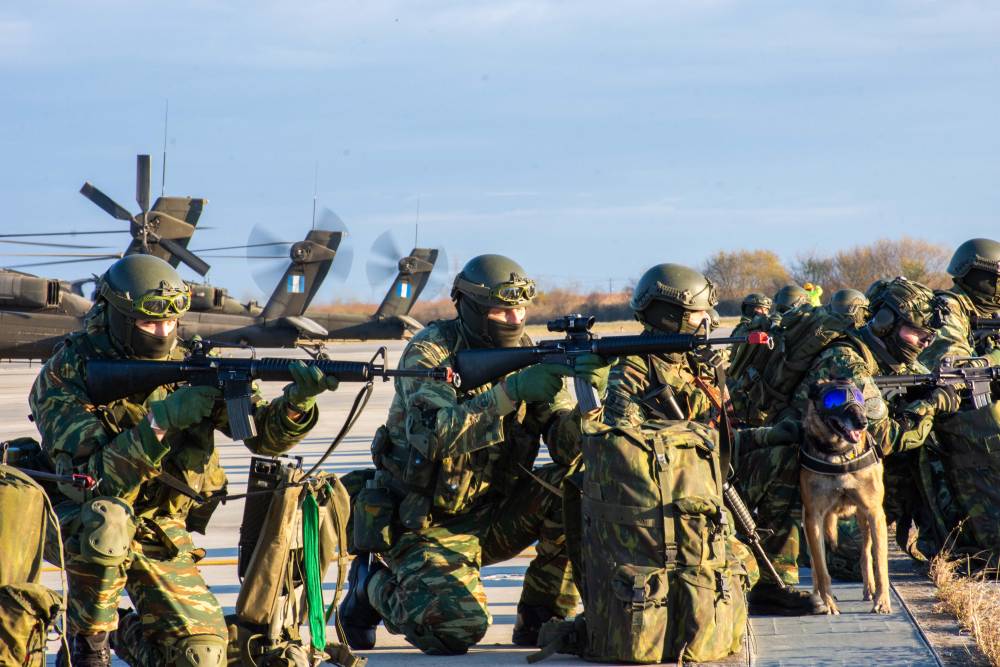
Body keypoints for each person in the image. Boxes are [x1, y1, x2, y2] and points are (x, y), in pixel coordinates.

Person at [29, 255, 337, 667]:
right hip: (77, 522)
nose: (163, 332)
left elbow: (265, 438)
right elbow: (97, 483)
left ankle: (124, 630)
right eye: (149, 323)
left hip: (158, 529)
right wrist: (161, 422)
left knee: (201, 656)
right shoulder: (67, 374)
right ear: (116, 317)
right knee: (109, 519)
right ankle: (88, 643)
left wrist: (297, 404)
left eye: (172, 322)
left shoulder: (192, 364)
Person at [339, 254, 605, 655]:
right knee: (454, 628)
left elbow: (566, 448)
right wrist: (511, 393)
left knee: (579, 484)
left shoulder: (528, 351)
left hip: (495, 515)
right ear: (473, 309)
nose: (516, 320)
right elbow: (433, 436)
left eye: (520, 309)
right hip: (423, 523)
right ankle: (369, 587)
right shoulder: (430, 352)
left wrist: (590, 404)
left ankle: (540, 615)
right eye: (503, 310)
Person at [736, 277, 961, 604]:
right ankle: (774, 581)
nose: (924, 342)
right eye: (916, 332)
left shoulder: (876, 354)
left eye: (929, 336)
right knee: (849, 558)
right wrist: (933, 405)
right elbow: (883, 438)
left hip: (820, 465)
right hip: (777, 466)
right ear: (885, 324)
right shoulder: (848, 361)